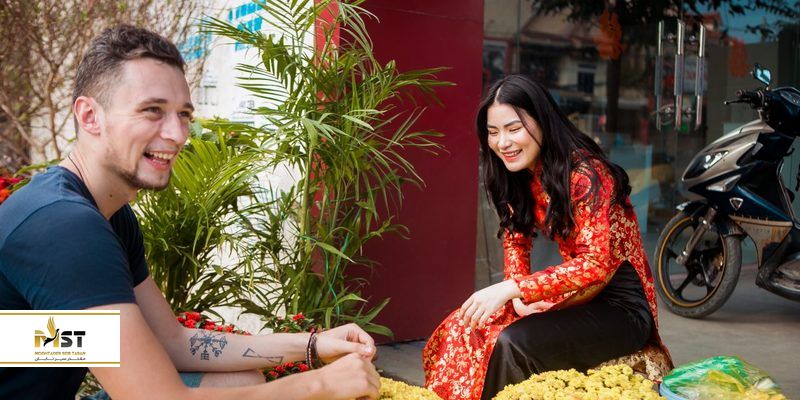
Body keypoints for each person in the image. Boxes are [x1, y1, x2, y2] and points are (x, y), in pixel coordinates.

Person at [0, 25, 380, 400]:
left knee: (239, 380)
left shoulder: (110, 216)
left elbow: (172, 341)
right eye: (152, 110)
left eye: (183, 114)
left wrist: (312, 345)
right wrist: (322, 385)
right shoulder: (62, 225)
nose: (178, 134)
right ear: (89, 116)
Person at [422, 74, 673, 400]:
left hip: (621, 308)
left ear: (542, 121)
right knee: (462, 326)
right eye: (493, 132)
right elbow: (516, 239)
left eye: (514, 129)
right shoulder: (518, 173)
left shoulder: (586, 173)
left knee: (512, 343)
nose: (502, 143)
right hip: (576, 296)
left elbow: (596, 264)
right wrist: (517, 301)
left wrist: (513, 288)